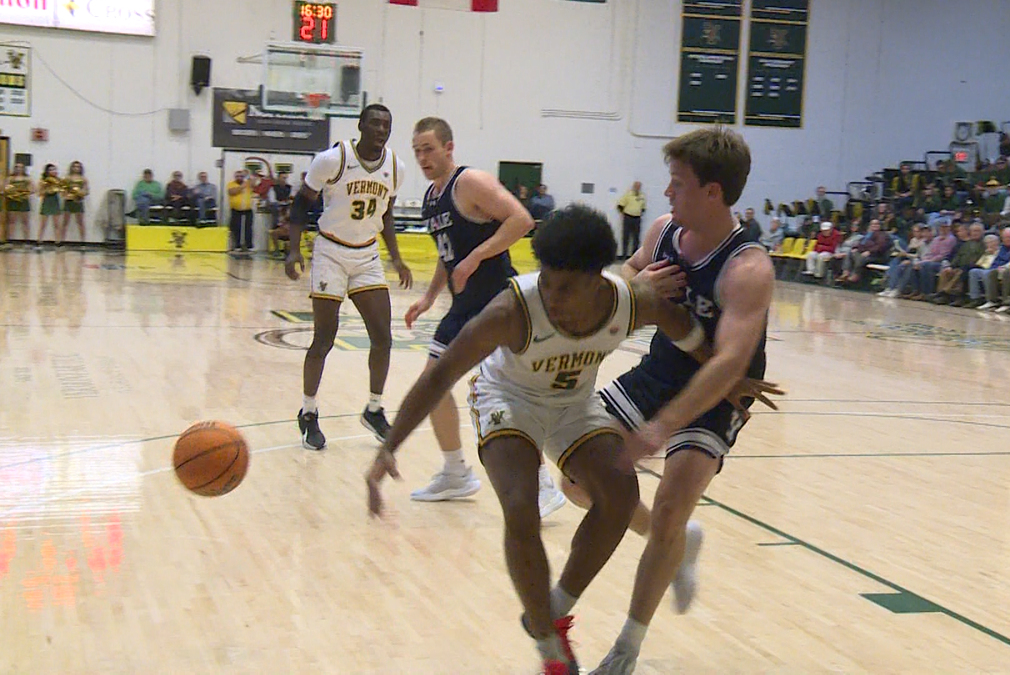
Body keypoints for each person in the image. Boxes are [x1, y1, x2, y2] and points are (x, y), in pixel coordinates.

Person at [366, 205, 772, 675]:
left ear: (598, 280)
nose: (553, 297)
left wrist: (731, 375)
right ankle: (549, 647)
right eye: (547, 281)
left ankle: (553, 607)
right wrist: (388, 446)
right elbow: (438, 379)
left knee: (620, 497)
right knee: (522, 506)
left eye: (567, 287)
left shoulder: (631, 301)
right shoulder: (511, 311)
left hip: (572, 403)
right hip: (508, 398)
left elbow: (683, 329)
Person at [592, 127, 774, 674]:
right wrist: (638, 279)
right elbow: (625, 275)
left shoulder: (748, 268)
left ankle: (626, 646)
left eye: (677, 184)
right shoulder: (664, 229)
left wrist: (662, 427)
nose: (667, 193)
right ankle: (675, 543)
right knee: (577, 480)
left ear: (713, 192)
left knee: (670, 509)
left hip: (718, 395)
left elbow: (726, 365)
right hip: (661, 368)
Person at [404, 116, 564, 514]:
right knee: (433, 384)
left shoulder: (469, 182)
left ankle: (543, 486)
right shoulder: (431, 197)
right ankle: (456, 472)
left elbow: (522, 220)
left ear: (448, 147)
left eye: (428, 148)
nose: (422, 156)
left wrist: (477, 255)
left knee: (504, 394)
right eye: (417, 150)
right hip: (463, 306)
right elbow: (448, 256)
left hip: (497, 301)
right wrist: (428, 298)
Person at [283, 103, 413, 450]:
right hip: (330, 252)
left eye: (386, 124)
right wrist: (294, 248)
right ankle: (308, 412)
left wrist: (397, 258)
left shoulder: (395, 168)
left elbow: (386, 216)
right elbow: (301, 205)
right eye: (374, 123)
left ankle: (374, 409)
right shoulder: (333, 160)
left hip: (367, 255)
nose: (381, 129)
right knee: (324, 338)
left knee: (383, 337)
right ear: (360, 125)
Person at [616, 181, 647, 259]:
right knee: (626, 237)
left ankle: (634, 257)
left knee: (636, 238)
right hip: (628, 217)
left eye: (639, 186)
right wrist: (624, 213)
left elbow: (643, 208)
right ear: (633, 186)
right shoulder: (628, 195)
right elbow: (620, 205)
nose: (637, 188)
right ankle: (624, 255)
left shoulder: (642, 196)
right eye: (636, 186)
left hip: (637, 218)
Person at [61, 161, 88, 244]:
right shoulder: (67, 178)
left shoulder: (83, 179)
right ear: (71, 168)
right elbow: (63, 191)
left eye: (78, 167)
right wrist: (68, 195)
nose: (76, 168)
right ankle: (62, 241)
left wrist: (80, 193)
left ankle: (83, 242)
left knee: (80, 222)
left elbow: (86, 191)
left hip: (78, 201)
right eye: (74, 166)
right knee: (65, 222)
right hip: (68, 202)